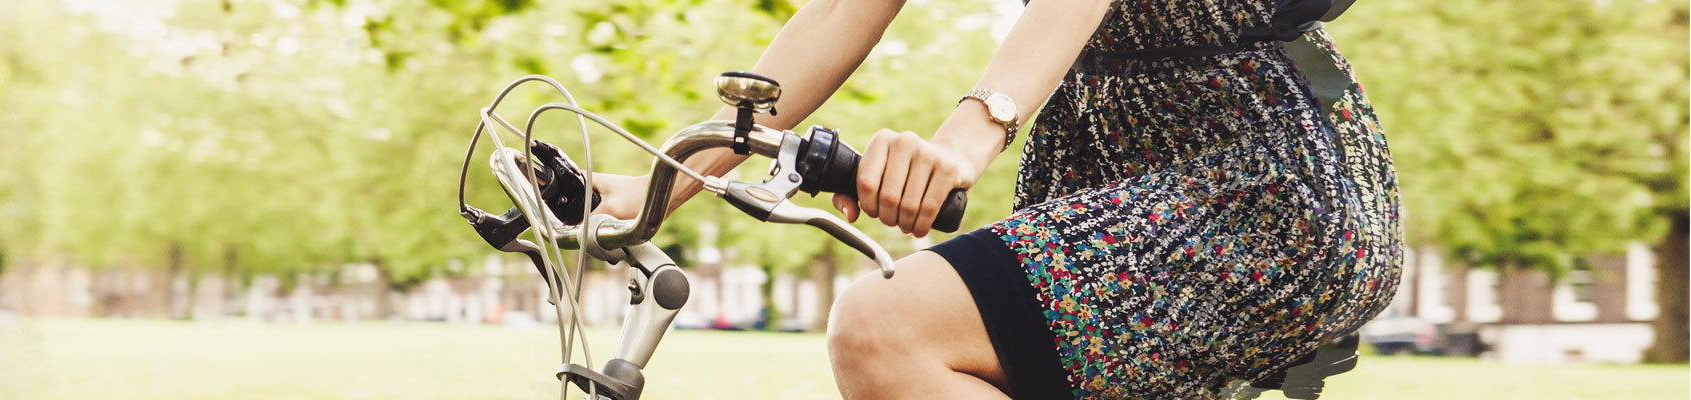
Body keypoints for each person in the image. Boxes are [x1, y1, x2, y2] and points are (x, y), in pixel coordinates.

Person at [593, 0, 1402, 397]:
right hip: (1109, 163)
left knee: (887, 327)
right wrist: (662, 181)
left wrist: (966, 134)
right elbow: (845, 9)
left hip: (1258, 176)